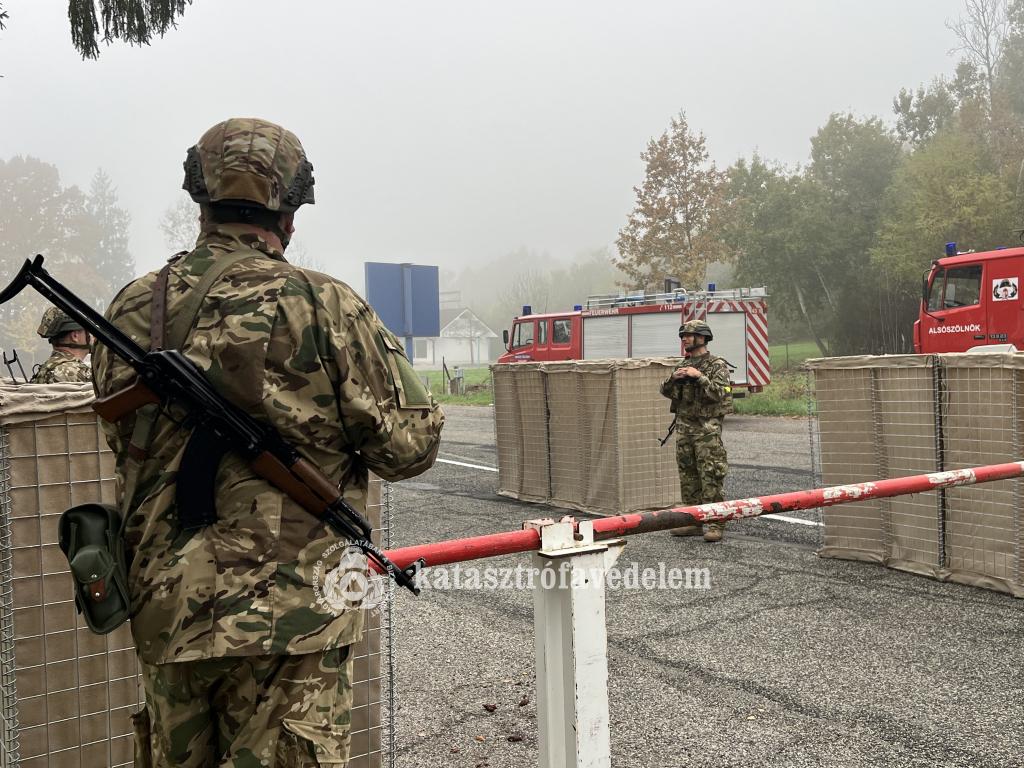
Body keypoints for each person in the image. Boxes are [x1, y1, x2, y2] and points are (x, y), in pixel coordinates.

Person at [91, 117, 445, 767]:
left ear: (199, 201)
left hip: (169, 610)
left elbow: (122, 440)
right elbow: (409, 449)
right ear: (290, 213)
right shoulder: (323, 304)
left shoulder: (133, 307)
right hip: (292, 619)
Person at [660, 319, 731, 543]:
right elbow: (665, 391)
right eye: (682, 336)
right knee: (688, 476)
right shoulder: (682, 365)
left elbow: (721, 393)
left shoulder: (716, 365)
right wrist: (673, 379)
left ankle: (715, 523)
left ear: (702, 338)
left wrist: (699, 377)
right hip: (684, 428)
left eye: (688, 336)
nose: (684, 339)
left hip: (706, 430)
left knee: (710, 475)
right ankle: (693, 521)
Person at [29, 307, 92, 383]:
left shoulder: (48, 368)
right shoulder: (75, 372)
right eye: (89, 332)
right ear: (75, 336)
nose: (93, 337)